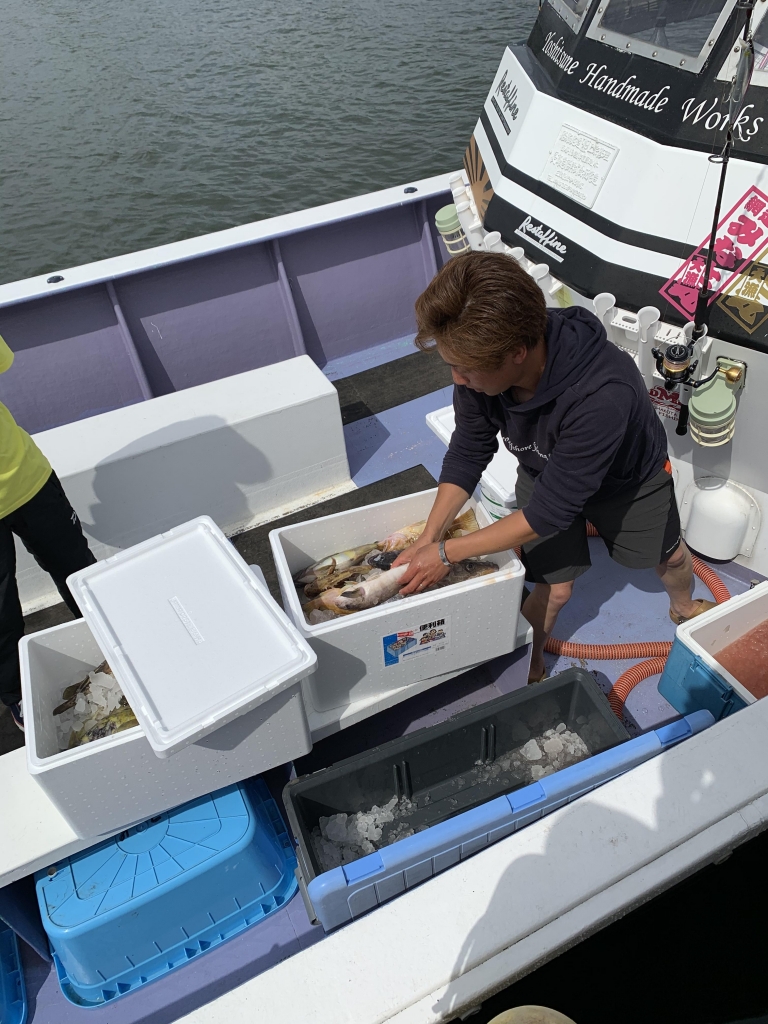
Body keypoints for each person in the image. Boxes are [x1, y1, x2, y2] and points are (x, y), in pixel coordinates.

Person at [394, 252, 713, 684]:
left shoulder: (603, 392)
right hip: (543, 470)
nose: (457, 379)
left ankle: (684, 606)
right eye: (452, 365)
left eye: (465, 369)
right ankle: (531, 657)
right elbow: (469, 451)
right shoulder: (479, 366)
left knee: (669, 556)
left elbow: (547, 516)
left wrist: (447, 554)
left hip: (628, 481)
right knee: (555, 588)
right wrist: (429, 539)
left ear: (517, 353)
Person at [0, 334, 96, 729]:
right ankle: (16, 694)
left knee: (78, 569)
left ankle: (113, 644)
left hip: (27, 477)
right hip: (26, 478)